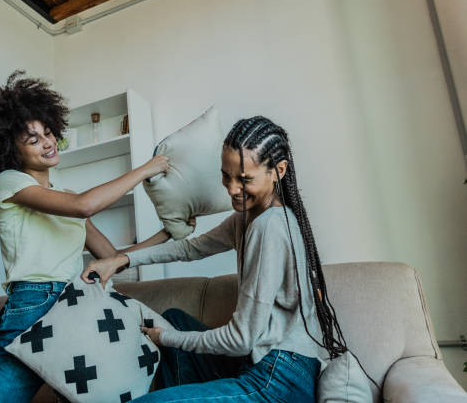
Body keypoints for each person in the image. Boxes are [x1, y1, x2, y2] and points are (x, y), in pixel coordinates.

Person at [82, 116, 351, 402]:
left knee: (165, 354)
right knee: (175, 319)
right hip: (260, 364)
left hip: (280, 379)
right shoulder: (247, 219)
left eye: (245, 179)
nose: (233, 189)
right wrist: (121, 260)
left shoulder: (269, 225)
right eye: (227, 175)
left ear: (278, 171)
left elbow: (240, 339)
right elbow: (190, 249)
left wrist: (164, 338)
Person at [0, 71, 175, 402]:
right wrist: (146, 168)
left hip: (75, 304)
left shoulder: (64, 198)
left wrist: (168, 233)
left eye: (47, 132)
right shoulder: (11, 182)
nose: (47, 142)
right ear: (12, 152)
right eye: (33, 140)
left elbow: (111, 256)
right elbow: (84, 206)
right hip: (33, 302)